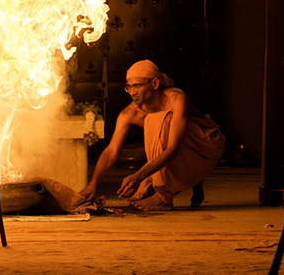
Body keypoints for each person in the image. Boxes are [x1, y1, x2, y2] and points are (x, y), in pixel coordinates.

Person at [79, 60, 225, 210]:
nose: (132, 92)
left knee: (159, 120)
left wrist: (139, 176)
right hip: (183, 151)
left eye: (137, 86)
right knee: (140, 191)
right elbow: (111, 151)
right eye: (128, 87)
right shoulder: (129, 113)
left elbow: (173, 148)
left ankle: (164, 198)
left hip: (207, 144)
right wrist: (93, 184)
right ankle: (193, 181)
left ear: (155, 84)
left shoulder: (176, 99)